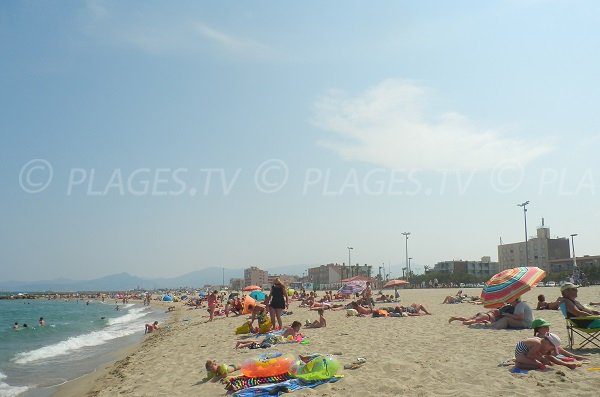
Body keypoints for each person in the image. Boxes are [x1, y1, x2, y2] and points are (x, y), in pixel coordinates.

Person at [235, 321, 302, 349]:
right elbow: (291, 340)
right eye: (298, 327)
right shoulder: (292, 331)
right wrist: (297, 340)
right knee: (258, 343)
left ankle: (241, 342)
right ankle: (242, 345)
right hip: (274, 338)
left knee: (258, 341)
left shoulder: (289, 328)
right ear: (296, 327)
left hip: (271, 335)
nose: (299, 329)